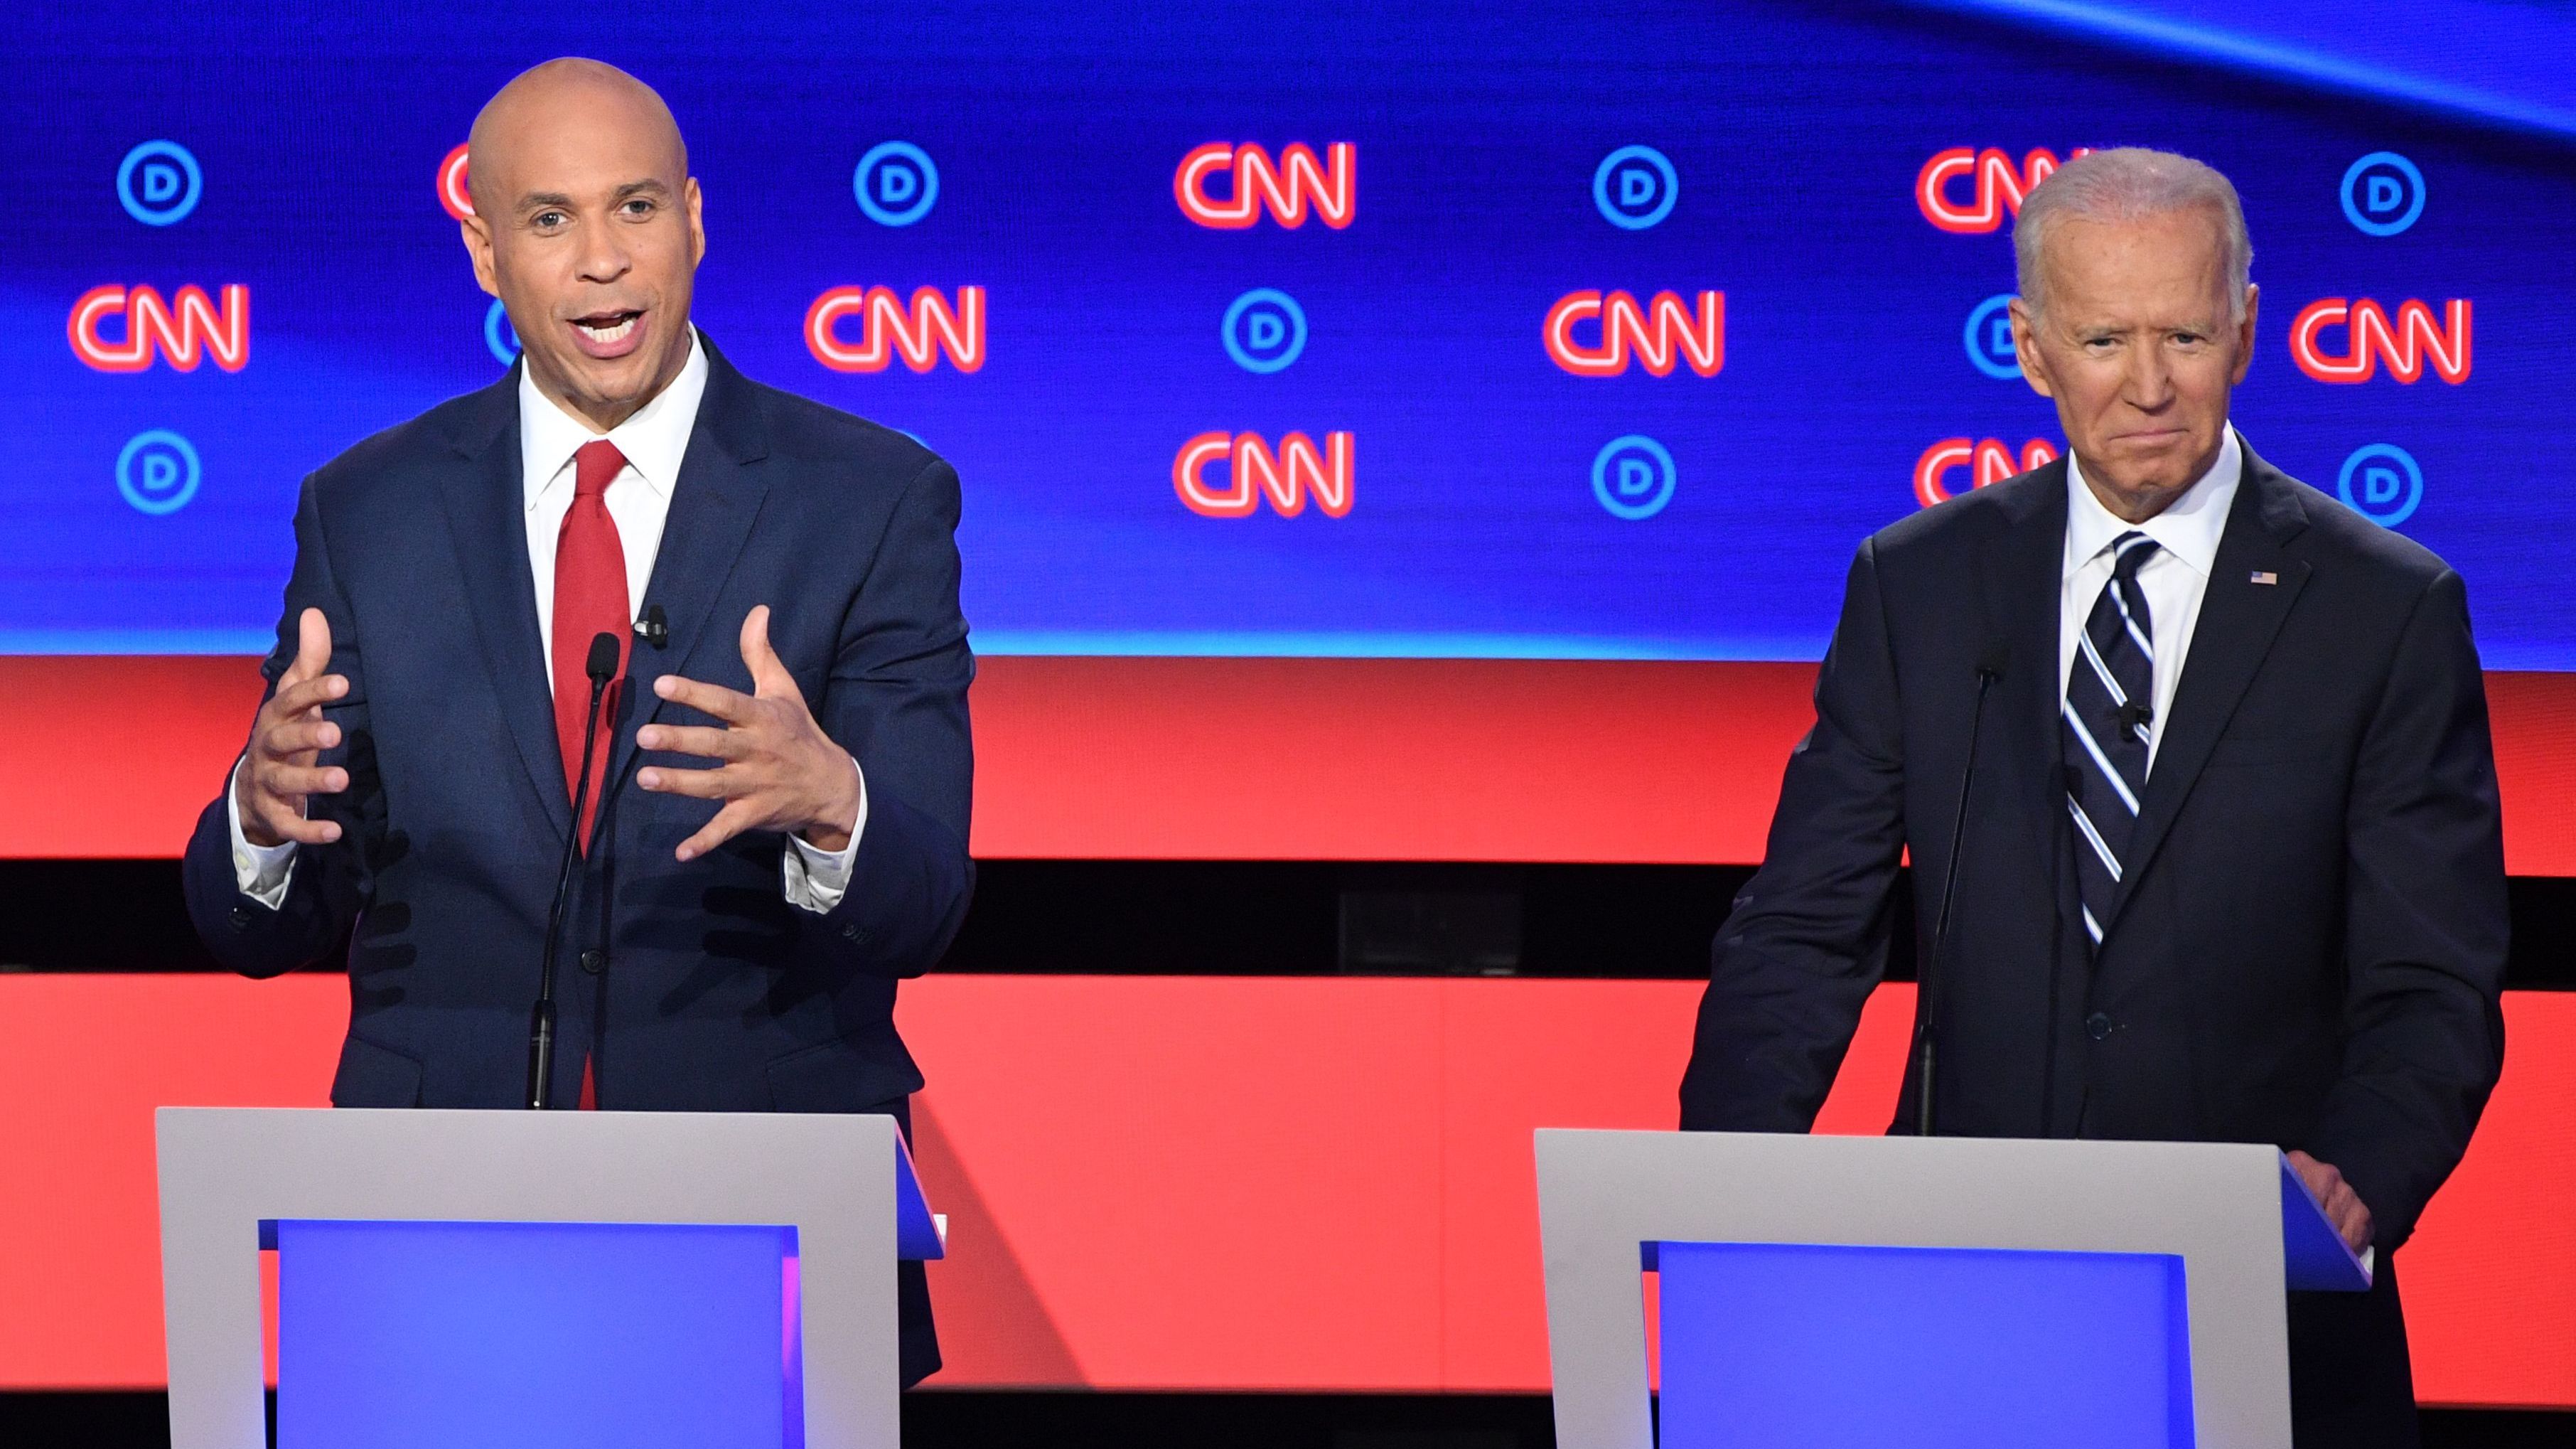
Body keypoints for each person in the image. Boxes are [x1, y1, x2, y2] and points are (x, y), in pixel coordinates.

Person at [1677, 148, 2505, 1446]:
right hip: (1958, 1297)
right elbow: (1802, 928)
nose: (2151, 385)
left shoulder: (2385, 609)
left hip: (2260, 1314)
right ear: (2030, 345)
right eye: (2105, 338)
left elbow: (2433, 982)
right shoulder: (1923, 586)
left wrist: (2358, 1179)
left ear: (2245, 329)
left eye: (2185, 332)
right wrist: (1715, 1200)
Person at [179, 58, 970, 1385]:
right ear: (486, 249)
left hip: (767, 1237)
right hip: (430, 1242)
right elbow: (263, 923)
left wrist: (836, 804)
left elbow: (923, 902)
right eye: (549, 220)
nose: (603, 261)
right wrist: (261, 821)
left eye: (637, 208)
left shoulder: (872, 500)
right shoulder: (366, 511)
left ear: (697, 220)